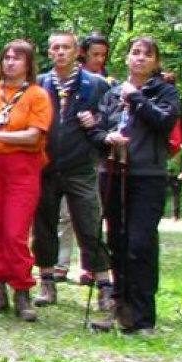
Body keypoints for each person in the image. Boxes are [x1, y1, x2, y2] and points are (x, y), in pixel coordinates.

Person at [92, 37, 182, 334]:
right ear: (127, 58)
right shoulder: (112, 92)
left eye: (147, 54)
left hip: (147, 175)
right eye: (135, 53)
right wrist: (105, 137)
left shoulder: (164, 92)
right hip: (114, 172)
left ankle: (144, 317)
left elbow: (165, 122)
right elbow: (99, 130)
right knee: (116, 241)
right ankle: (121, 307)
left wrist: (138, 99)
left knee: (140, 244)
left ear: (155, 62)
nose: (140, 58)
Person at [0, 39, 51, 321]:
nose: (10, 63)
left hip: (22, 167)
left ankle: (22, 291)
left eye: (16, 58)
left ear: (28, 64)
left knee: (15, 231)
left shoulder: (37, 95)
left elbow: (34, 135)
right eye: (6, 58)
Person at [32, 31, 113, 311]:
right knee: (43, 227)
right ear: (49, 52)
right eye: (55, 48)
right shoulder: (40, 83)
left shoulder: (96, 84)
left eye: (66, 47)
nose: (61, 52)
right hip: (46, 166)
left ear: (76, 51)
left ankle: (104, 284)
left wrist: (96, 121)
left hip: (80, 167)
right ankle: (46, 282)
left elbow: (111, 120)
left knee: (89, 225)